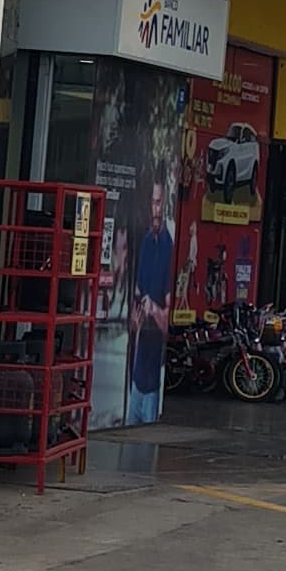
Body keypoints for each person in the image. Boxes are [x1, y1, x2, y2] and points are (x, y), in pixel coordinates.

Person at [129, 172, 176, 417]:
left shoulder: (169, 248)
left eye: (160, 203)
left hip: (153, 384)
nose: (156, 210)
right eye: (153, 203)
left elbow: (169, 323)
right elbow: (137, 300)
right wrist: (134, 321)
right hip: (136, 379)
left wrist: (154, 310)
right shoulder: (147, 242)